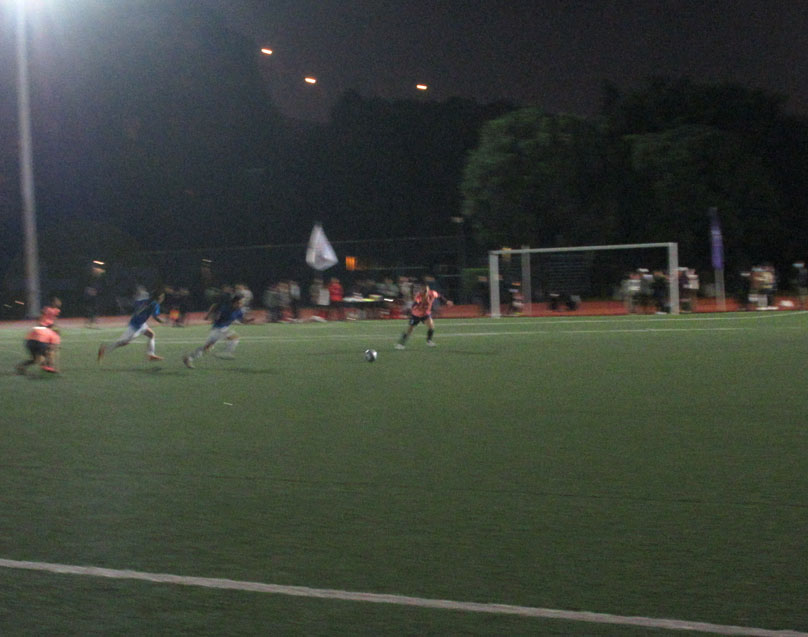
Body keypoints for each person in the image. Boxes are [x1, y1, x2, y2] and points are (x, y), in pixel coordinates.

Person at [183, 294, 253, 368]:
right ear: (234, 302)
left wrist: (247, 321)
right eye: (239, 303)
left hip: (220, 330)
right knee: (235, 337)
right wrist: (208, 315)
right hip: (218, 329)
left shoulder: (239, 311)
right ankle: (227, 352)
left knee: (206, 349)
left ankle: (188, 358)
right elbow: (214, 306)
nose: (241, 304)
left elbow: (242, 319)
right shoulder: (226, 307)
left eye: (242, 303)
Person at [97, 291, 165, 362]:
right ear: (159, 298)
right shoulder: (155, 305)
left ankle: (151, 354)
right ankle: (105, 349)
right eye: (162, 297)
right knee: (124, 342)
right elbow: (155, 316)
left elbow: (135, 304)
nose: (162, 299)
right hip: (137, 326)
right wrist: (162, 322)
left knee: (151, 334)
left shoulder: (144, 301)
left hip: (138, 323)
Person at [395, 283, 453, 349]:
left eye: (426, 290)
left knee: (431, 327)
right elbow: (415, 303)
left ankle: (429, 341)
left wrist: (446, 301)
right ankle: (401, 344)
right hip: (416, 315)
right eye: (423, 290)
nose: (425, 292)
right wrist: (414, 306)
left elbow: (439, 296)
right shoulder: (418, 296)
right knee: (410, 330)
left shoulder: (432, 293)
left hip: (425, 314)